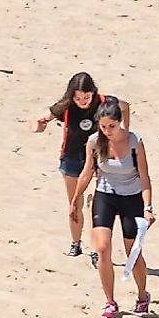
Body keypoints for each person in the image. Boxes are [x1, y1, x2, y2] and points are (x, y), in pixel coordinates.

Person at [77, 96, 155, 318]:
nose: (107, 131)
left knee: (133, 251)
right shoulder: (94, 142)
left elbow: (144, 177)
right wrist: (75, 201)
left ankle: (142, 294)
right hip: (105, 195)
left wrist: (148, 207)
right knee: (102, 249)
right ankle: (110, 301)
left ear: (120, 122)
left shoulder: (134, 142)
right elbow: (87, 172)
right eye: (103, 127)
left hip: (131, 197)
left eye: (111, 126)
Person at [31, 73, 107, 256]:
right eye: (78, 98)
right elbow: (39, 120)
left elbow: (124, 107)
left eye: (86, 97)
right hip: (71, 161)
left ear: (93, 93)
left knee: (92, 206)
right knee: (74, 204)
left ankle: (95, 249)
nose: (83, 101)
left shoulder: (103, 102)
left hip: (96, 163)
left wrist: (124, 130)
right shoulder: (65, 107)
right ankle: (75, 244)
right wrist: (38, 126)